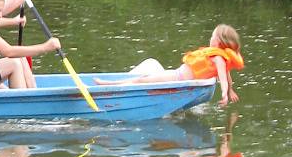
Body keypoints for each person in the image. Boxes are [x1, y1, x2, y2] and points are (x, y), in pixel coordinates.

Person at [94, 24, 244, 106]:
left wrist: (225, 93)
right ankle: (112, 84)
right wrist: (231, 91)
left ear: (218, 41)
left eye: (212, 36)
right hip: (176, 76)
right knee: (144, 78)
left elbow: (223, 79)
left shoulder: (218, 58)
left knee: (141, 80)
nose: (210, 38)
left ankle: (110, 85)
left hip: (176, 78)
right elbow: (227, 78)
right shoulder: (222, 59)